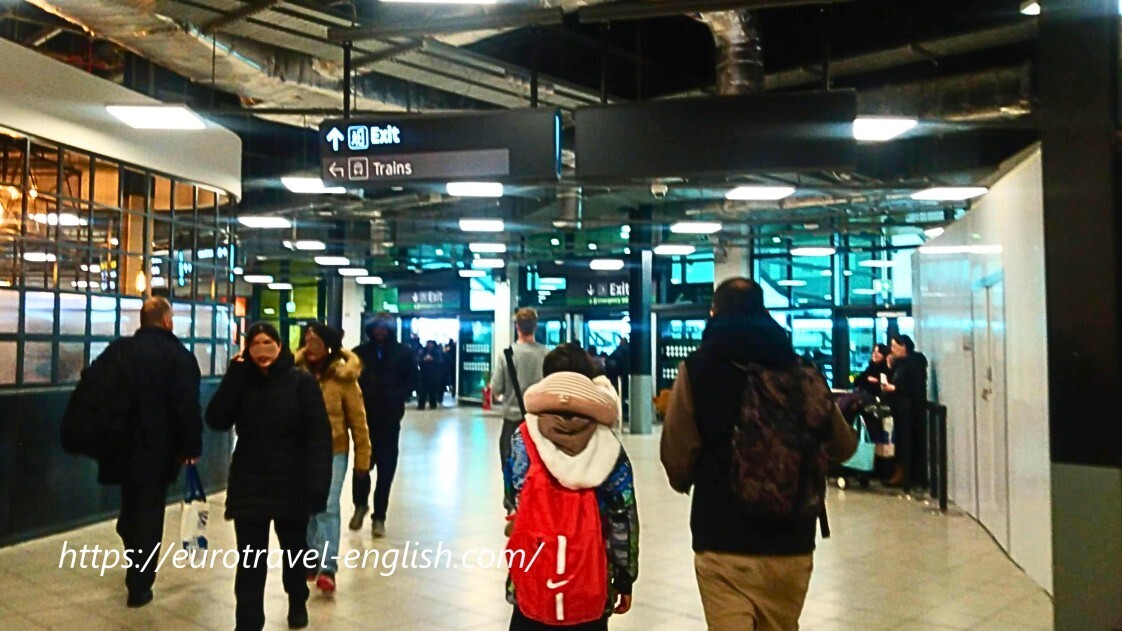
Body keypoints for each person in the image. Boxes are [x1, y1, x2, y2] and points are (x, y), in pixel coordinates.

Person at [660, 278, 856, 631]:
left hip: (722, 539)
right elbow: (844, 446)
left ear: (713, 312)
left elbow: (677, 455)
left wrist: (687, 479)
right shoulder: (802, 370)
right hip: (793, 541)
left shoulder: (697, 369)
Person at [64, 297, 201, 608]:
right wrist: (191, 448)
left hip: (121, 447)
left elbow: (91, 383)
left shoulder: (119, 351)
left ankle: (130, 536)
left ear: (142, 320)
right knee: (150, 513)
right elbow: (187, 408)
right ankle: (140, 584)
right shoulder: (180, 357)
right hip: (161, 451)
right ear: (167, 321)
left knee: (131, 506)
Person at [206, 322, 332, 631]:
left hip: (292, 483)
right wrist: (233, 377)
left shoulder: (300, 382)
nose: (262, 350)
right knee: (250, 562)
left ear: (279, 346)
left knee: (294, 554)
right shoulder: (241, 381)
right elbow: (216, 419)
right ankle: (248, 621)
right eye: (255, 344)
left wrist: (319, 487)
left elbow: (319, 436)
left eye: (268, 343)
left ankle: (297, 601)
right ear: (247, 349)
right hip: (250, 484)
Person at [504, 343, 638, 630]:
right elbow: (622, 518)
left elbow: (513, 495)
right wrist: (625, 577)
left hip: (534, 574)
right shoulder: (607, 443)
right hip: (588, 578)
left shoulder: (523, 437)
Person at [296, 323, 371, 595]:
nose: (310, 346)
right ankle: (311, 558)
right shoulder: (296, 374)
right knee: (306, 507)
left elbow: (358, 421)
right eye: (307, 340)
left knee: (327, 506)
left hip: (334, 450)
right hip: (301, 451)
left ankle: (328, 567)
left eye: (316, 341)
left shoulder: (344, 378)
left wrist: (363, 458)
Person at [350, 313, 416, 538]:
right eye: (376, 327)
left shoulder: (403, 353)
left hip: (389, 420)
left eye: (384, 327)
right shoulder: (359, 354)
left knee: (386, 471)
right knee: (362, 466)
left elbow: (412, 380)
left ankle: (379, 516)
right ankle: (360, 504)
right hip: (364, 420)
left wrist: (397, 396)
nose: (380, 331)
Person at [490, 308, 549, 511]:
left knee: (510, 466)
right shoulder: (546, 355)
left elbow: (496, 389)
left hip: (512, 422)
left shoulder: (506, 355)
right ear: (535, 326)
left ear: (517, 327)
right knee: (539, 468)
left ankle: (512, 506)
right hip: (540, 423)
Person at [882, 334, 930, 490]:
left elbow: (913, 388)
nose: (892, 350)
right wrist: (890, 367)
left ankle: (909, 477)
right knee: (901, 442)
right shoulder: (900, 364)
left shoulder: (914, 365)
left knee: (908, 443)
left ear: (904, 347)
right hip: (901, 410)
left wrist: (895, 388)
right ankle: (902, 474)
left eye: (894, 346)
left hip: (910, 412)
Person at [418, 340, 445, 411]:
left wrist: (432, 359)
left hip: (434, 374)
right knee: (422, 390)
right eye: (427, 344)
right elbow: (419, 360)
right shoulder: (423, 351)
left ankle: (433, 404)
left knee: (433, 390)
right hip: (424, 373)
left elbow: (440, 361)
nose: (428, 345)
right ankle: (421, 405)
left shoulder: (436, 351)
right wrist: (424, 359)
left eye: (430, 344)